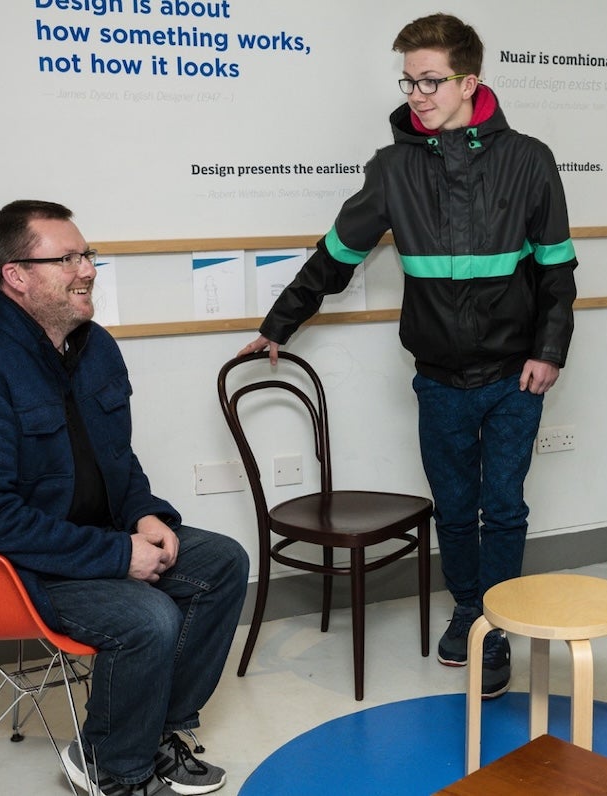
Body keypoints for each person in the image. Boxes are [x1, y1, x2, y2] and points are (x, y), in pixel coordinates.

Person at [237, 13, 577, 698]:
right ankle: (466, 607)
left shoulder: (529, 159)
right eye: (409, 81)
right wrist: (281, 325)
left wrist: (549, 352)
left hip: (516, 375)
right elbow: (335, 255)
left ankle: (497, 624)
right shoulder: (393, 169)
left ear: (468, 81)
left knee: (503, 505)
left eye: (430, 81)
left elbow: (557, 271)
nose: (417, 93)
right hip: (437, 379)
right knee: (454, 507)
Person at [0, 200, 250, 796]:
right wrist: (116, 557)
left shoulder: (95, 346)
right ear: (16, 275)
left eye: (88, 254)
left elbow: (117, 460)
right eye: (68, 258)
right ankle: (116, 769)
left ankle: (150, 735)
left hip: (100, 538)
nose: (88, 270)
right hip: (16, 565)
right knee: (149, 618)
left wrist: (145, 514)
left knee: (224, 562)